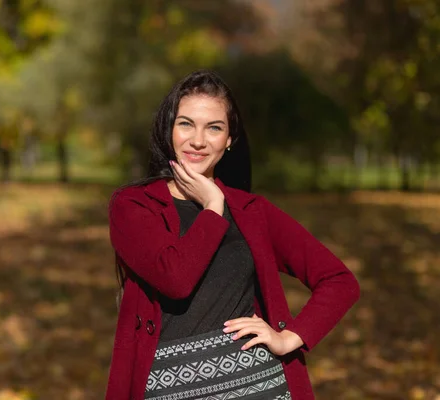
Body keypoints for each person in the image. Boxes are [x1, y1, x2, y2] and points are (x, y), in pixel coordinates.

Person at [106, 70, 360, 400]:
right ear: (169, 129)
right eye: (186, 124)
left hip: (258, 385)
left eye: (214, 128)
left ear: (229, 140)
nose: (198, 140)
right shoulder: (134, 206)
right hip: (168, 389)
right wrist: (213, 206)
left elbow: (339, 280)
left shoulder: (252, 210)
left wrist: (290, 337)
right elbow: (175, 278)